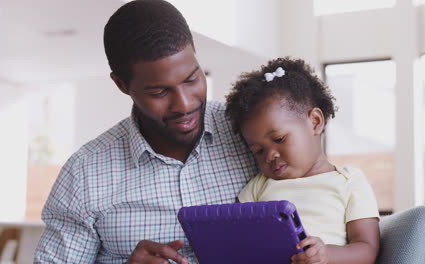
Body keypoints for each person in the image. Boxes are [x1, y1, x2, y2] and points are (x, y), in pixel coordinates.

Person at [34, 0, 257, 263]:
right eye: (159, 92)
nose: (184, 104)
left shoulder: (250, 129)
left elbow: (314, 201)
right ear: (121, 84)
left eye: (192, 79)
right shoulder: (84, 174)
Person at [225, 57, 380, 264]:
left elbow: (367, 249)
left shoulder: (349, 182)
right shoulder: (259, 185)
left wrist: (326, 254)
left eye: (279, 139)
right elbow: (234, 235)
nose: (270, 155)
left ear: (315, 122)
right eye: (258, 151)